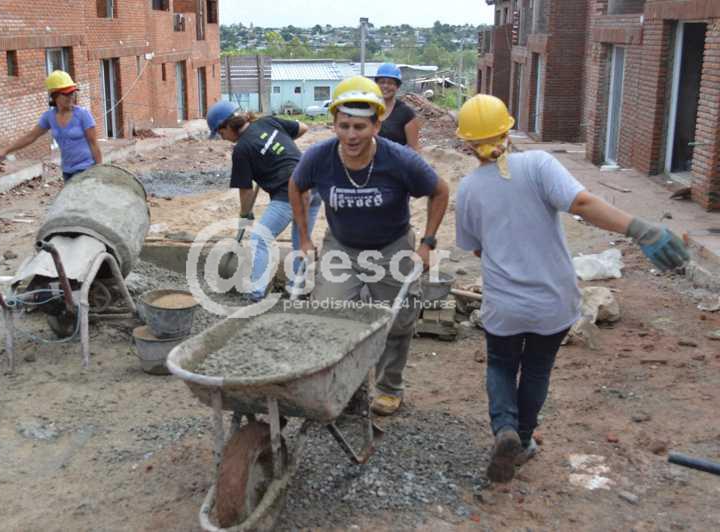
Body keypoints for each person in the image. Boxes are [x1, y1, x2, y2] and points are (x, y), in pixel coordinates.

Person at [454, 94, 690, 483]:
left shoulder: (468, 189)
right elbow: (580, 202)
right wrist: (639, 228)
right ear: (507, 131)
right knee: (537, 369)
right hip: (553, 301)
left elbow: (476, 247)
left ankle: (505, 429)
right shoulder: (538, 164)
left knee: (500, 365)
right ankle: (523, 440)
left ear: (467, 143)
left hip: (504, 305)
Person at [289, 76, 450, 416]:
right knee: (329, 315)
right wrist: (303, 238)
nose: (351, 135)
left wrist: (427, 244)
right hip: (342, 248)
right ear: (334, 125)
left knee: (398, 320)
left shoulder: (399, 160)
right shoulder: (319, 157)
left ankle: (389, 386)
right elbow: (296, 185)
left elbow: (440, 191)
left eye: (360, 127)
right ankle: (344, 385)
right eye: (344, 126)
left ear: (376, 125)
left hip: (392, 246)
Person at [207, 101, 322, 302]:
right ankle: (297, 291)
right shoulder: (268, 122)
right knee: (300, 241)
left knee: (260, 239)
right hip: (313, 185)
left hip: (290, 193)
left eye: (221, 133)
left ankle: (256, 294)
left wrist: (245, 215)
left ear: (227, 126)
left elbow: (245, 190)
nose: (223, 138)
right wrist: (277, 148)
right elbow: (303, 127)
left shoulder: (242, 149)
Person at [0, 71, 102, 181]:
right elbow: (31, 136)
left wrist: (100, 170)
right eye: (66, 94)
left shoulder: (83, 114)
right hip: (67, 171)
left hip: (87, 169)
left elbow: (94, 144)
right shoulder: (49, 117)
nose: (70, 97)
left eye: (72, 93)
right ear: (55, 96)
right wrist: (6, 150)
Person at [374, 63, 420, 152]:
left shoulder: (406, 113)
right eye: (382, 82)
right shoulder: (368, 109)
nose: (385, 86)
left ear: (397, 86)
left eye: (390, 83)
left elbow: (414, 148)